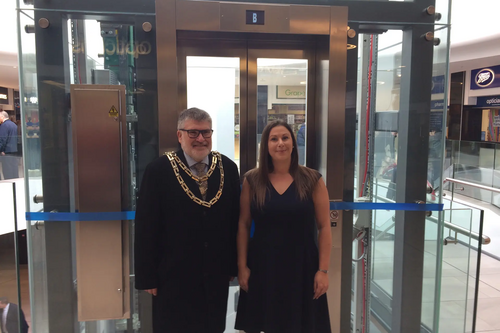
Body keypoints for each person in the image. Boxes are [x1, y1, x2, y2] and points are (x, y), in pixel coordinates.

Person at [134, 107, 241, 333]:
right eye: (193, 133)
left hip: (215, 273)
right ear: (179, 135)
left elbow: (234, 222)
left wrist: (232, 265)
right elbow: (146, 226)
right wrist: (147, 276)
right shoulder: (159, 170)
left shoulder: (228, 169)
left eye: (206, 133)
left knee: (211, 327)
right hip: (172, 274)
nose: (200, 139)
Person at [235, 119, 332, 333]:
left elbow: (324, 226)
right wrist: (242, 267)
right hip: (263, 265)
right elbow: (243, 225)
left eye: (285, 138)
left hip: (303, 265)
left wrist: (323, 270)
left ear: (293, 143)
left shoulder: (312, 179)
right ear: (266, 146)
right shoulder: (253, 180)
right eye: (274, 139)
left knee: (302, 325)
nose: (280, 143)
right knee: (264, 323)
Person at [0, 110, 19, 179]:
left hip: (6, 151)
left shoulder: (4, 126)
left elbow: (3, 139)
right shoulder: (14, 125)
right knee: (14, 169)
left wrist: (1, 149)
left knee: (7, 171)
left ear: (2, 117)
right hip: (14, 150)